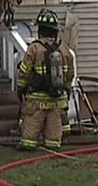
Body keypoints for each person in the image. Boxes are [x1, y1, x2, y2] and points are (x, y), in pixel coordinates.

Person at [15, 9, 75, 151]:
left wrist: (20, 88)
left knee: (29, 136)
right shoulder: (64, 49)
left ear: (40, 29)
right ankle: (52, 144)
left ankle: (28, 145)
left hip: (37, 99)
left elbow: (24, 71)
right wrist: (66, 89)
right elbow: (70, 74)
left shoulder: (34, 48)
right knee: (54, 136)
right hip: (57, 101)